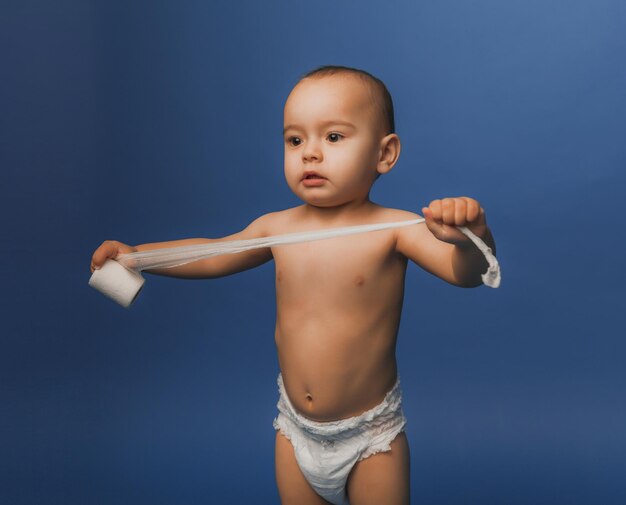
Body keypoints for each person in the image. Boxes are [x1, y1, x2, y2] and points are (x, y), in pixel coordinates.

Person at [90, 65, 496, 505]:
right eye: (295, 140)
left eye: (334, 137)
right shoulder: (277, 227)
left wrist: (471, 237)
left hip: (369, 437)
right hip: (295, 429)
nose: (310, 154)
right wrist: (140, 255)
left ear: (385, 154)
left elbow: (467, 274)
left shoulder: (395, 228)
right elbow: (212, 254)